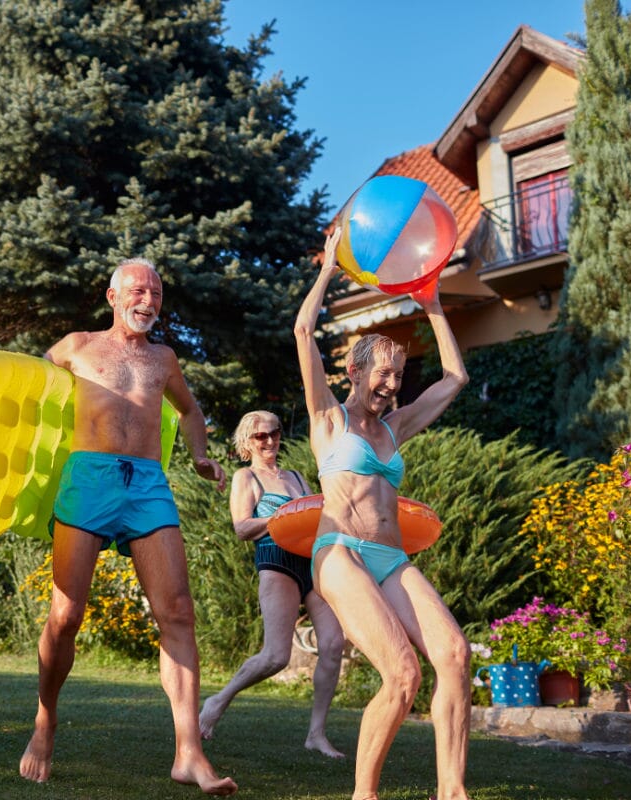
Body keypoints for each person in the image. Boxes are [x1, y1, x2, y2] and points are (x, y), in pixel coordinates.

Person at [19, 258, 237, 796]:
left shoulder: (164, 358)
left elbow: (188, 412)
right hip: (88, 478)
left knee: (178, 613)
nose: (148, 299)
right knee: (66, 614)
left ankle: (189, 752)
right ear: (112, 295)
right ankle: (46, 718)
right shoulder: (76, 346)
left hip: (146, 484)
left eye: (157, 293)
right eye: (138, 289)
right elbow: (24, 393)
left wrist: (202, 456)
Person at [294, 229, 471, 800]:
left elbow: (455, 380)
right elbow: (303, 331)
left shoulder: (397, 426)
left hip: (391, 557)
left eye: (398, 377)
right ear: (354, 371)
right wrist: (326, 270)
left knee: (454, 655)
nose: (392, 386)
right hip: (340, 552)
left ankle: (452, 791)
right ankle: (363, 795)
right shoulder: (328, 420)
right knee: (401, 674)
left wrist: (435, 306)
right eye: (382, 375)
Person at [198, 410, 345, 758]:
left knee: (334, 644)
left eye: (274, 433)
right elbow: (241, 528)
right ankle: (218, 701)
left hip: (311, 562)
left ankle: (316, 734)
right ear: (247, 442)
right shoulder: (245, 477)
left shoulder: (295, 476)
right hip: (275, 562)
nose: (269, 441)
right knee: (276, 656)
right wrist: (282, 517)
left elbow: (315, 515)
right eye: (260, 436)